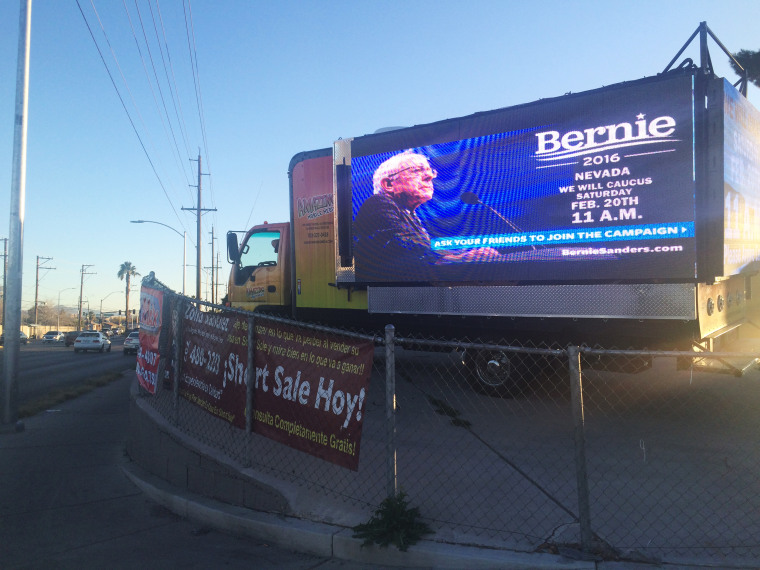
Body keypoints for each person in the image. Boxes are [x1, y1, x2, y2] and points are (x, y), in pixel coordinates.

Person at [353, 150, 501, 281]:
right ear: (389, 184)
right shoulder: (377, 203)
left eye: (431, 171)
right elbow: (406, 245)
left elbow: (421, 247)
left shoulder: (408, 213)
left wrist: (465, 253)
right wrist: (456, 259)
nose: (430, 176)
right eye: (417, 170)